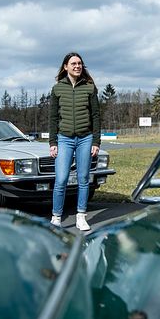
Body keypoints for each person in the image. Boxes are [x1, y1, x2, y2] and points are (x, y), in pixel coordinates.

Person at [48, 52, 101, 231]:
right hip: (64, 139)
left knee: (83, 178)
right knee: (61, 179)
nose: (77, 66)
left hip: (85, 138)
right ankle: (56, 217)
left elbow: (95, 116)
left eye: (79, 64)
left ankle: (81, 216)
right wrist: (52, 142)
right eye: (73, 64)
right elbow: (53, 118)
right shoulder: (57, 89)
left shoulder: (89, 88)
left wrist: (96, 141)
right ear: (65, 67)